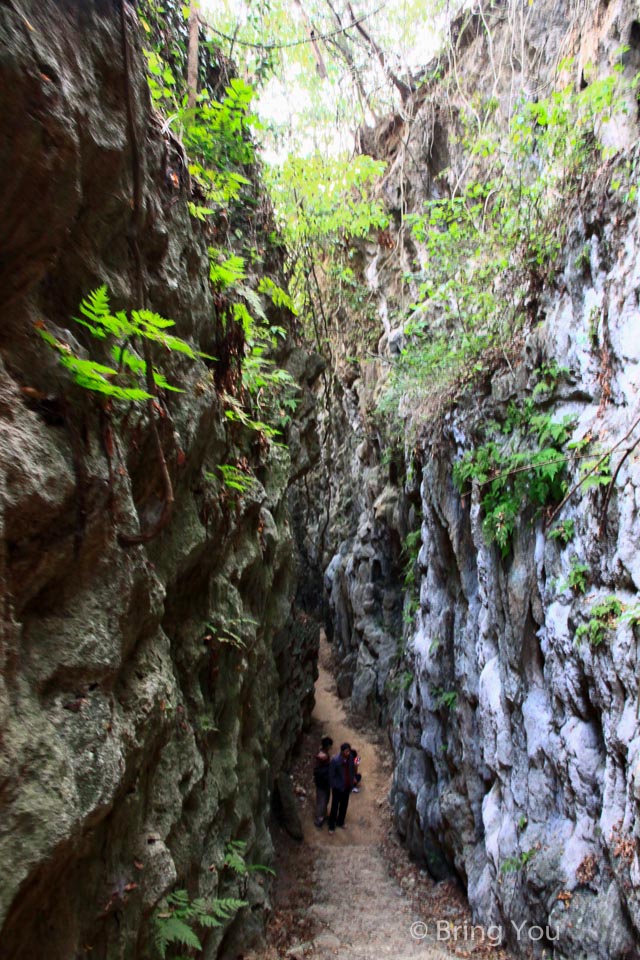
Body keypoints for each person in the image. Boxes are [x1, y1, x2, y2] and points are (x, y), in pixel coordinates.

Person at [327, 742, 355, 834]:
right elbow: (331, 776)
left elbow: (351, 770)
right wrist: (335, 785)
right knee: (334, 807)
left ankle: (340, 822)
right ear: (342, 751)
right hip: (338, 788)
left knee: (344, 806)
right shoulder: (335, 761)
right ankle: (331, 826)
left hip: (346, 787)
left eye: (349, 751)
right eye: (346, 751)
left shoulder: (350, 758)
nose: (348, 753)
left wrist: (351, 782)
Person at [313, 736, 333, 827]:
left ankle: (322, 815)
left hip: (322, 781)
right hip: (322, 782)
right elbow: (322, 771)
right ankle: (319, 819)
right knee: (322, 799)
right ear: (327, 746)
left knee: (324, 799)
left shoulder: (322, 753)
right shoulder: (323, 757)